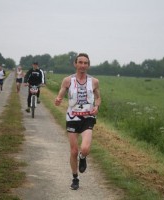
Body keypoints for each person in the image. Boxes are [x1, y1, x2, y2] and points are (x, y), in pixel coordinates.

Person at [54, 53, 101, 190]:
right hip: (73, 117)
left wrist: (97, 106)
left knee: (85, 148)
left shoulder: (94, 82)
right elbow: (60, 95)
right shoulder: (68, 80)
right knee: (73, 151)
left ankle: (83, 156)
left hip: (88, 117)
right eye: (80, 62)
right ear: (75, 64)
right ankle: (75, 178)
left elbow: (98, 98)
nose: (82, 65)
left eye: (85, 63)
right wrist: (58, 99)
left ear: (88, 65)